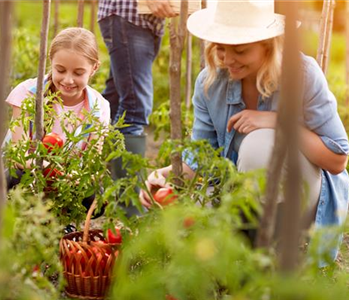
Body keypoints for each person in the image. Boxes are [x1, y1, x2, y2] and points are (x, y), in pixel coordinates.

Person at [139, 0, 349, 261]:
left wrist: (278, 122)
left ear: (269, 46)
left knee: (258, 144)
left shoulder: (302, 75)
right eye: (220, 49)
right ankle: (242, 248)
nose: (227, 60)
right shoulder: (210, 82)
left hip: (301, 196)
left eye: (239, 50)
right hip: (240, 197)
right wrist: (167, 174)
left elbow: (337, 159)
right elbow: (204, 156)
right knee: (191, 214)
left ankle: (273, 251)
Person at [4, 27, 111, 218]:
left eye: (78, 73)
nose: (68, 80)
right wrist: (48, 169)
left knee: (96, 198)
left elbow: (91, 162)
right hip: (28, 173)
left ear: (94, 68)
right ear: (50, 62)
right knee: (11, 178)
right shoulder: (28, 93)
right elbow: (16, 157)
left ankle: (64, 220)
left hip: (67, 182)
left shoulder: (99, 106)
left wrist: (72, 178)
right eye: (60, 70)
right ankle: (24, 217)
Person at [97, 0, 176, 216]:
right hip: (128, 14)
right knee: (134, 108)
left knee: (112, 102)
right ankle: (130, 207)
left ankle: (88, 179)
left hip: (145, 20)